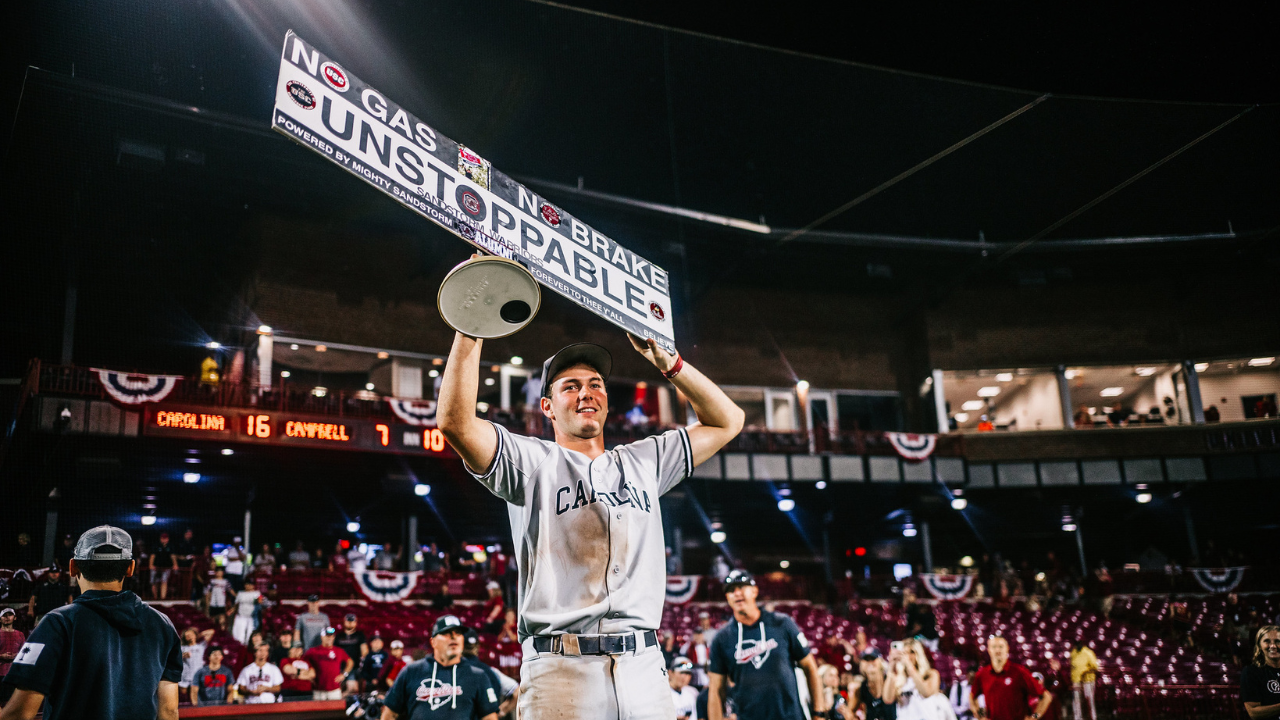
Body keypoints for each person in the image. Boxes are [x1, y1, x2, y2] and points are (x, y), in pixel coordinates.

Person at [437, 331, 743, 720]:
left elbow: (728, 421)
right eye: (571, 386)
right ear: (547, 406)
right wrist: (473, 325)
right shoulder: (531, 462)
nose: (586, 392)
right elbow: (454, 422)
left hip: (645, 669)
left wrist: (671, 363)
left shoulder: (643, 460)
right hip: (561, 671)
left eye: (595, 384)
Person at [0, 525, 182, 720]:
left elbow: (20, 713)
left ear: (73, 567)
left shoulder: (57, 623)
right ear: (130, 568)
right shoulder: (163, 625)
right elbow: (169, 711)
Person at [708, 570, 825, 720]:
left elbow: (810, 667)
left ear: (755, 591)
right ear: (727, 598)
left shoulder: (783, 624)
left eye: (741, 587)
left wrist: (819, 713)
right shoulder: (721, 639)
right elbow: (716, 691)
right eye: (731, 590)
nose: (736, 593)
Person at [381, 614, 499, 720]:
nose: (454, 637)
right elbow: (390, 714)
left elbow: (489, 717)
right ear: (433, 642)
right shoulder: (411, 672)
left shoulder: (477, 676)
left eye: (458, 633)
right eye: (446, 633)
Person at [971, 635, 1053, 720]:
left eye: (1001, 646)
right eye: (994, 647)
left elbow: (1046, 696)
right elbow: (972, 697)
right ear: (988, 650)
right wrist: (979, 717)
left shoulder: (1020, 672)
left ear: (1007, 648)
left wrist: (1035, 717)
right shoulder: (983, 674)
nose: (997, 650)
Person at [885, 637, 948, 720]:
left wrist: (910, 667)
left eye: (912, 652)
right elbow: (888, 699)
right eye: (904, 652)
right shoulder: (899, 678)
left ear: (919, 654)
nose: (907, 656)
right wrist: (891, 668)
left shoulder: (931, 674)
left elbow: (926, 693)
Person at [464, 626, 520, 718]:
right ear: (477, 647)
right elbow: (517, 691)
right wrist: (501, 711)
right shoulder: (492, 671)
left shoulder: (454, 671)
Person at [303, 626, 352, 701]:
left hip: (334, 689)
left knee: (335, 711)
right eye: (327, 636)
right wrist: (308, 675)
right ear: (322, 637)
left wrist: (344, 674)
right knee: (318, 711)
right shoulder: (313, 651)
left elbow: (350, 662)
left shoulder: (338, 651)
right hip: (318, 689)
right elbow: (303, 662)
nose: (329, 638)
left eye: (331, 636)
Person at [1242, 625, 1280, 720]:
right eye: (1267, 641)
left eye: (1277, 641)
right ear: (1259, 645)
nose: (1273, 646)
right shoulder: (1251, 672)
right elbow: (1253, 713)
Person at [849, 648, 895, 720]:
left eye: (873, 659)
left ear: (880, 661)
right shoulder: (862, 687)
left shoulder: (889, 680)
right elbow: (850, 711)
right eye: (866, 660)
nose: (870, 662)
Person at [179, 627, 216, 697]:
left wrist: (200, 634)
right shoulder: (182, 647)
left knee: (195, 696)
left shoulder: (200, 646)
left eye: (191, 635)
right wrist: (183, 655)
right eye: (187, 636)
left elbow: (212, 631)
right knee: (183, 695)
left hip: (197, 675)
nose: (189, 637)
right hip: (185, 676)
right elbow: (175, 657)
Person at [336, 613, 369, 691]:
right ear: (344, 622)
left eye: (352, 621)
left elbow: (364, 650)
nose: (350, 623)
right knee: (338, 688)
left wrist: (363, 658)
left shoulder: (359, 635)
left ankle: (345, 701)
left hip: (354, 667)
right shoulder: (339, 636)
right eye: (348, 621)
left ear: (356, 623)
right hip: (340, 666)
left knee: (353, 688)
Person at [0, 609, 25, 706]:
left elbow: (25, 652)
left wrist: (17, 655)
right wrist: (1, 656)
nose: (7, 617)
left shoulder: (20, 634)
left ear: (15, 618)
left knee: (11, 703)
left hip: (14, 673)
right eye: (4, 615)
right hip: (0, 673)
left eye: (10, 615)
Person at [1068, 640, 1099, 720]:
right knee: (1076, 701)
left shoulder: (1088, 653)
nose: (1077, 645)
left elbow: (1095, 667)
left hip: (1087, 681)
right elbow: (1072, 665)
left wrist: (1085, 672)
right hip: (1076, 680)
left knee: (1089, 700)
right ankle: (1078, 718)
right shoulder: (1074, 652)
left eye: (1079, 643)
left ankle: (1092, 717)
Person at [230, 579, 262, 645]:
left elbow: (260, 601)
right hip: (241, 616)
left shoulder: (256, 593)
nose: (249, 586)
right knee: (239, 636)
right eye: (247, 584)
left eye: (251, 584)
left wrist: (258, 600)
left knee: (249, 636)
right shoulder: (240, 593)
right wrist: (231, 611)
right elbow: (236, 605)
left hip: (251, 617)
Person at [150, 532, 179, 600]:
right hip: (156, 567)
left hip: (166, 568)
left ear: (168, 539)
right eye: (162, 538)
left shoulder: (170, 546)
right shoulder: (156, 546)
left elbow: (173, 556)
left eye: (165, 538)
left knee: (164, 582)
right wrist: (151, 565)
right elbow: (152, 556)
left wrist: (175, 564)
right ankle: (155, 597)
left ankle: (163, 598)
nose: (164, 540)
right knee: (154, 582)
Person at [206, 566, 231, 631]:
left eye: (221, 572)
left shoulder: (225, 582)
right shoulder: (212, 581)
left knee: (222, 619)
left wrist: (236, 595)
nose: (219, 573)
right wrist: (207, 602)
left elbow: (230, 590)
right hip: (213, 603)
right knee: (213, 619)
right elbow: (208, 592)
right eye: (218, 572)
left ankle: (222, 632)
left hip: (221, 603)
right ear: (215, 573)